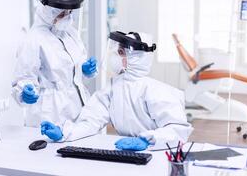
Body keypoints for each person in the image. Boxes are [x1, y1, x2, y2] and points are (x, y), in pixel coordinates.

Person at [41, 31, 193, 151]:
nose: (114, 56)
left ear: (136, 58)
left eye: (120, 52)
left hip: (157, 153)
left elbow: (178, 130)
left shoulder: (155, 91)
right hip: (127, 154)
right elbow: (91, 120)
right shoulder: (113, 87)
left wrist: (148, 140)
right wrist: (65, 133)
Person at [12, 0, 97, 127]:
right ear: (48, 12)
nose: (68, 17)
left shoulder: (71, 34)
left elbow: (74, 65)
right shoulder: (33, 39)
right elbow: (24, 78)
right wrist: (24, 92)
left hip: (77, 105)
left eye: (69, 12)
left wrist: (84, 68)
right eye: (62, 14)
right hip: (50, 112)